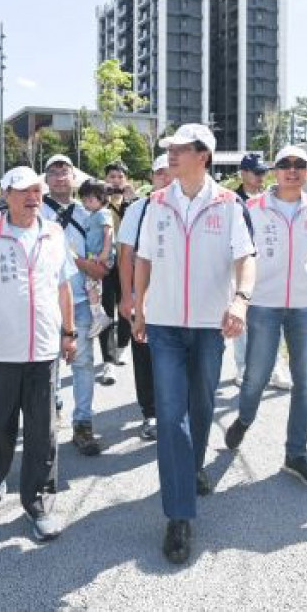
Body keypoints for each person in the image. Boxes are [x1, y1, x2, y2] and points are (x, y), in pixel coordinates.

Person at [132, 123, 256, 565]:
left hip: (209, 326)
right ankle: (179, 515)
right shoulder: (156, 203)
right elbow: (144, 257)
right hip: (164, 325)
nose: (170, 156)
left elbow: (245, 258)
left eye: (179, 150)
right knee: (170, 414)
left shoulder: (228, 203)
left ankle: (191, 467)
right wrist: (138, 305)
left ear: (203, 156)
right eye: (169, 150)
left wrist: (241, 301)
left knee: (201, 406)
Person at [0, 165, 78, 542]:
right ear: (6, 194)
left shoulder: (54, 234)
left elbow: (63, 289)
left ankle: (37, 502)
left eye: (37, 191)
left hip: (43, 353)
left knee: (43, 430)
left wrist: (69, 333)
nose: (33, 197)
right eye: (24, 190)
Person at [223, 145, 307, 490]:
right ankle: (244, 418)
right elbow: (236, 254)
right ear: (274, 171)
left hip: (304, 307)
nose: (292, 170)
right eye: (284, 164)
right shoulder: (253, 208)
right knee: (255, 377)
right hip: (264, 305)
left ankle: (295, 455)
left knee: (305, 383)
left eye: (299, 165)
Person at [41, 154, 107, 456]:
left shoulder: (90, 214)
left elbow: (103, 265)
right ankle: (48, 413)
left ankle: (83, 423)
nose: (58, 177)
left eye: (64, 171)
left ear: (73, 176)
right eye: (52, 172)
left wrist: (75, 261)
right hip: (41, 303)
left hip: (79, 300)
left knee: (82, 364)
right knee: (44, 364)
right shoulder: (34, 210)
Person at [116, 153, 171, 441]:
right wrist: (127, 297)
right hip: (145, 298)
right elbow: (125, 256)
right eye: (160, 173)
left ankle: (175, 412)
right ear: (152, 178)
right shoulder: (138, 209)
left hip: (179, 300)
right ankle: (150, 411)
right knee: (144, 356)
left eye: (170, 171)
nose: (166, 178)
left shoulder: (187, 206)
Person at [234, 153, 292, 392]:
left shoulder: (272, 199)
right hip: (240, 267)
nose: (261, 178)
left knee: (273, 319)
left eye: (264, 173)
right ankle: (244, 366)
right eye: (257, 173)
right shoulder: (232, 201)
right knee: (242, 319)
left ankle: (276, 365)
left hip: (270, 268)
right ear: (243, 173)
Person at [99, 161, 135, 374]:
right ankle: (107, 357)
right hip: (106, 263)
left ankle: (122, 346)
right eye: (112, 176)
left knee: (126, 306)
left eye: (120, 177)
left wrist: (131, 199)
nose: (116, 181)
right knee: (106, 309)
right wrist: (102, 197)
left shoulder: (133, 203)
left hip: (128, 262)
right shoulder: (99, 200)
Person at [77, 178, 115, 347]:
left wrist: (106, 252)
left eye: (90, 200)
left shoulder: (103, 213)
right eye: (84, 200)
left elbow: (109, 232)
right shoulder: (93, 215)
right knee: (91, 285)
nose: (86, 203)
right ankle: (99, 314)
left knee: (91, 285)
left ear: (101, 198)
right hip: (95, 255)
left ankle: (100, 316)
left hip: (101, 256)